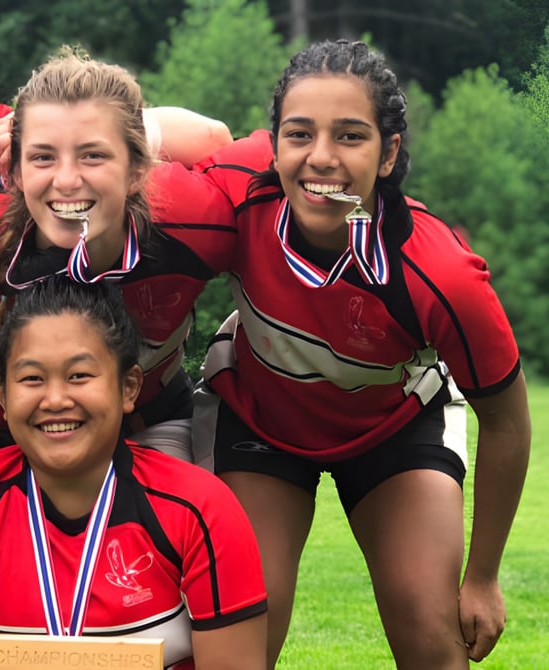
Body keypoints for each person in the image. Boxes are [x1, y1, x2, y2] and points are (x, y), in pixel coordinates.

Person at [190, 39, 531, 668]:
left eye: (350, 136)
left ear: (389, 153)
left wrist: (483, 576)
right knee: (240, 638)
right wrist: (13, 131)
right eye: (298, 134)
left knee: (433, 639)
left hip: (393, 434)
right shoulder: (238, 185)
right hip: (262, 423)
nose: (320, 158)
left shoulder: (442, 274)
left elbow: (508, 422)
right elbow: (145, 140)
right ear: (271, 145)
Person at [0, 276, 268, 670]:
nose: (55, 400)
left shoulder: (200, 508)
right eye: (32, 379)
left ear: (128, 388)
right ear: (1, 393)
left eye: (79, 376)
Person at [0, 50, 236, 472]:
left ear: (139, 171)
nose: (66, 180)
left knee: (177, 529)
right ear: (17, 173)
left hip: (146, 419)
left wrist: (127, 121)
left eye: (92, 155)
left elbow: (221, 139)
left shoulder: (197, 222)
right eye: (43, 157)